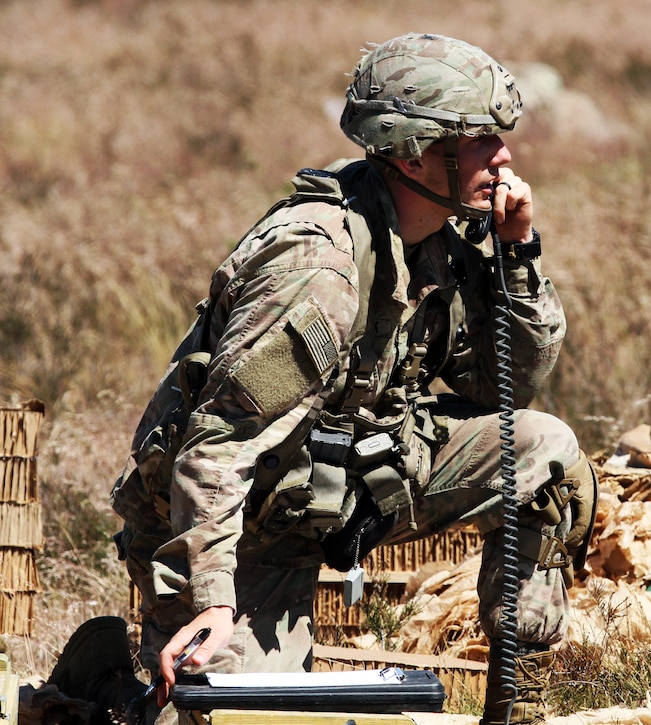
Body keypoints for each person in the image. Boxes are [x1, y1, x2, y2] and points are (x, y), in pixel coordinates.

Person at [109, 32, 597, 725]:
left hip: (345, 488)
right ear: (411, 150)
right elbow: (217, 447)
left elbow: (506, 386)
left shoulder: (439, 246)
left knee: (542, 452)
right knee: (232, 714)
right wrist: (214, 598)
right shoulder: (320, 270)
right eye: (478, 138)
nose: (505, 154)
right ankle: (94, 687)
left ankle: (519, 706)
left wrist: (517, 252)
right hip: (236, 529)